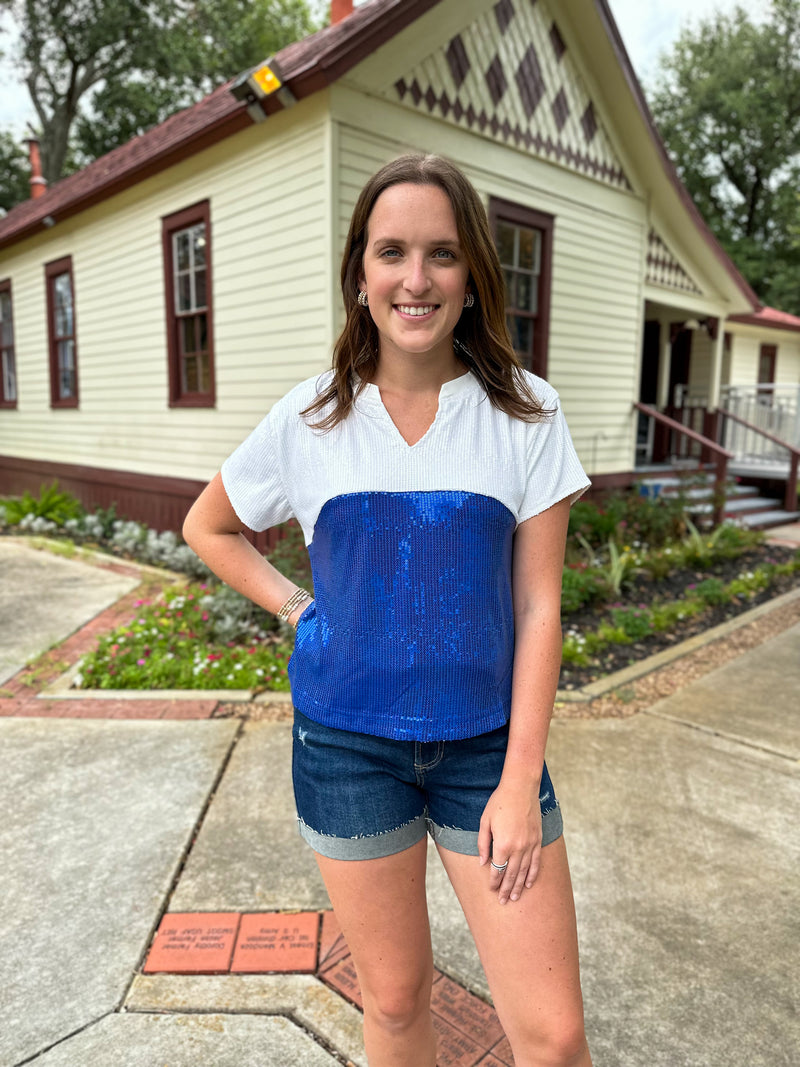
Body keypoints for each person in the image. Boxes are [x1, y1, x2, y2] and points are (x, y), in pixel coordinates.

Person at [183, 153, 593, 1067]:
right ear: (360, 275)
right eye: (392, 252)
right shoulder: (310, 419)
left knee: (555, 1037)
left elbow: (537, 605)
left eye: (442, 254)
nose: (416, 278)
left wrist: (521, 777)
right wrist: (300, 609)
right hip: (345, 750)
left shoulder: (526, 414)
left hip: (486, 751)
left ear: (473, 276)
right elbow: (209, 525)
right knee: (398, 1001)